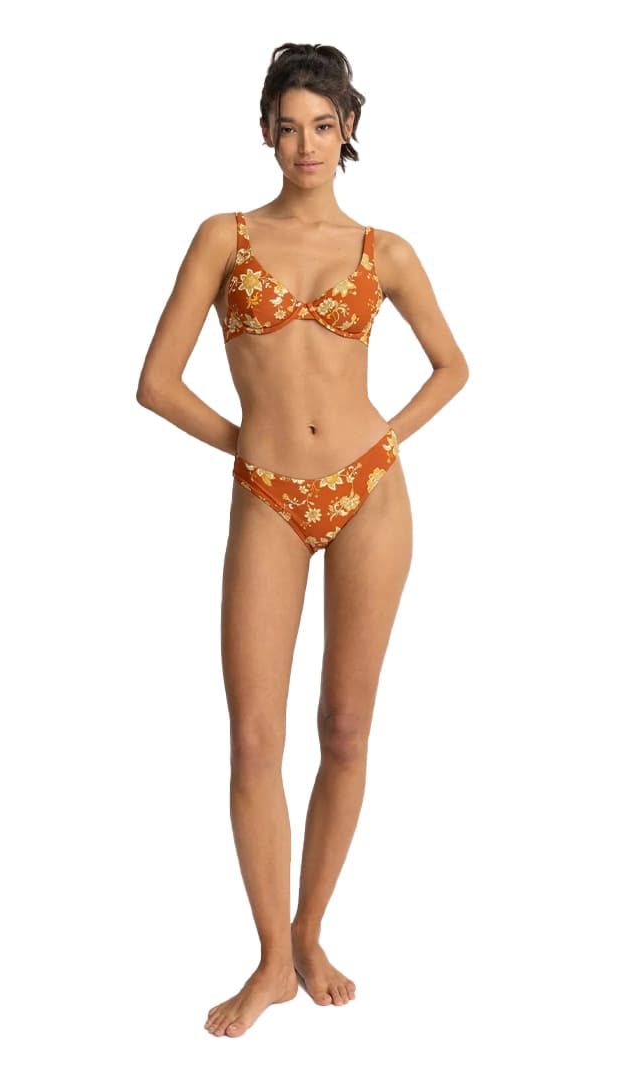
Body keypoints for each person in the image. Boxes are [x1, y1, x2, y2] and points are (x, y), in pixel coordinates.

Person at [136, 42, 469, 1039]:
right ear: (265, 133)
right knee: (252, 739)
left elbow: (452, 366)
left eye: (323, 125)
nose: (306, 144)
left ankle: (311, 932)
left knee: (346, 728)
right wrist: (248, 445)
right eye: (288, 126)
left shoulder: (385, 251)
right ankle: (271, 962)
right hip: (267, 498)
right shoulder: (224, 236)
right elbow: (155, 383)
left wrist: (384, 442)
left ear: (349, 128)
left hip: (371, 497)